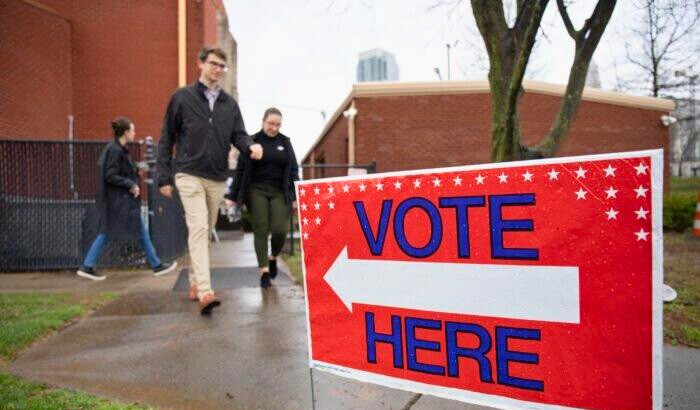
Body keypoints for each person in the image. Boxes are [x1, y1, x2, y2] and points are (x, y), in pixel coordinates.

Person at [157, 46, 263, 314]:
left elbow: (238, 134)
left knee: (205, 229)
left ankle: (194, 281)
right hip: (188, 172)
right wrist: (163, 177)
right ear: (200, 64)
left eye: (222, 66)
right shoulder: (182, 98)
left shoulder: (229, 104)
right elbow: (166, 138)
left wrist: (250, 146)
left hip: (216, 176)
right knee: (199, 228)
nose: (218, 69)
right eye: (214, 63)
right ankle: (205, 290)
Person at [77, 118, 177, 281]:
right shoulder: (116, 150)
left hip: (118, 202)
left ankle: (88, 266)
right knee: (120, 232)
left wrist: (137, 170)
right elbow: (110, 175)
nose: (134, 133)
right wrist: (131, 184)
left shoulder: (118, 150)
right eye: (132, 130)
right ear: (125, 132)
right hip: (119, 202)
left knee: (111, 232)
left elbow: (120, 171)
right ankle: (156, 265)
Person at [225, 108, 299, 288]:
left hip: (279, 192)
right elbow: (240, 171)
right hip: (256, 190)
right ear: (263, 122)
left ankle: (273, 257)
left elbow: (294, 171)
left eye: (277, 124)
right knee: (261, 229)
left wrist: (296, 196)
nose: (274, 128)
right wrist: (232, 196)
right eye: (270, 123)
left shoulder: (285, 143)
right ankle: (264, 271)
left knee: (280, 230)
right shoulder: (252, 142)